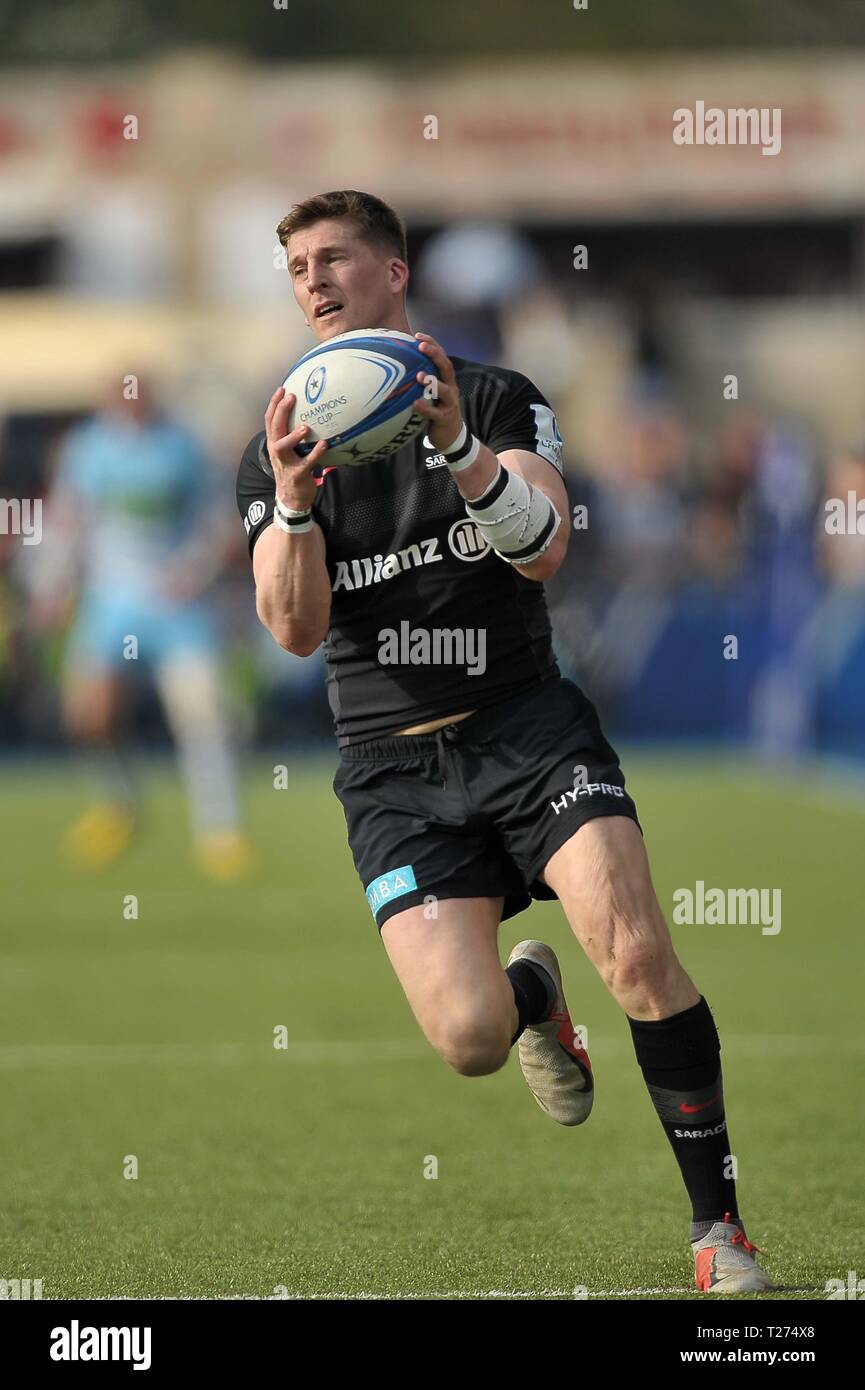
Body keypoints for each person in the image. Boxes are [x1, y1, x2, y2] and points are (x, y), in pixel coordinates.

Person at [236, 190, 773, 1294]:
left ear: (395, 272)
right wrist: (291, 505)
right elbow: (291, 632)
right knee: (471, 1036)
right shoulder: (278, 441)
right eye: (297, 268)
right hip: (391, 769)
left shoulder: (492, 395)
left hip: (527, 728)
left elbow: (541, 552)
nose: (315, 283)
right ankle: (532, 998)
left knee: (632, 953)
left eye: (335, 258)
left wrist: (457, 446)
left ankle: (717, 1232)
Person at [35, 381, 251, 879]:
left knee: (202, 715)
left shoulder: (184, 446)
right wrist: (52, 587)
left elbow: (218, 517)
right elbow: (71, 520)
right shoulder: (88, 448)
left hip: (178, 605)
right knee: (89, 715)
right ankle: (121, 805)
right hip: (111, 603)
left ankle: (220, 831)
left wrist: (192, 571)